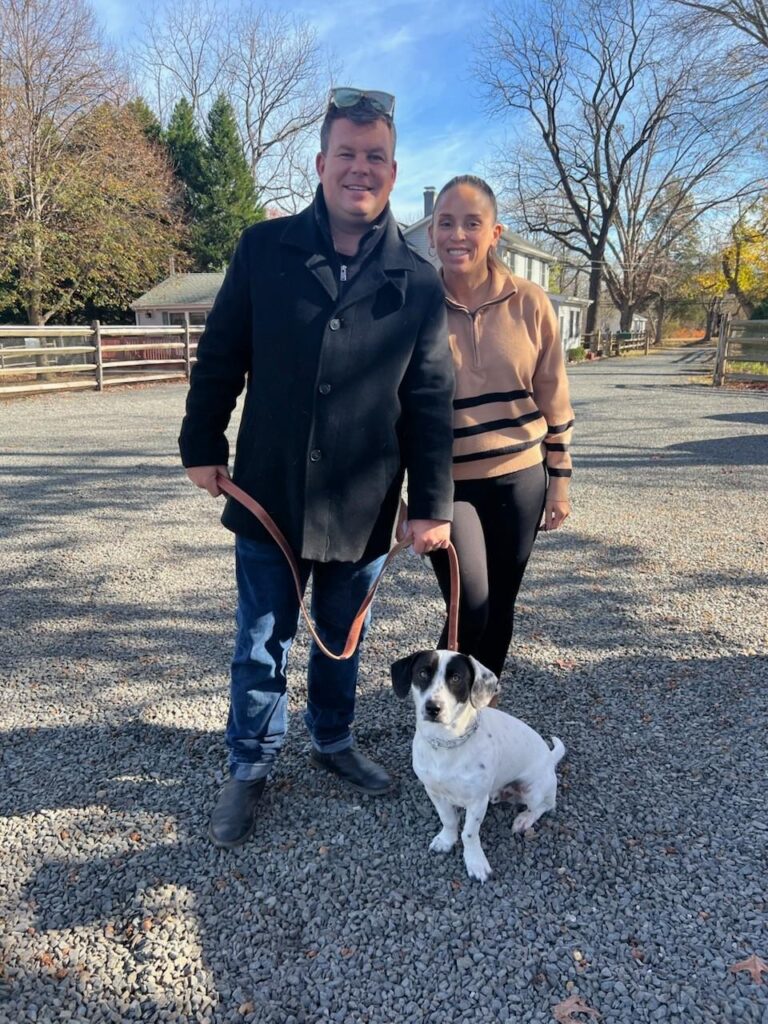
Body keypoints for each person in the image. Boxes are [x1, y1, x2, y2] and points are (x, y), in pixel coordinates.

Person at [179, 88, 455, 849]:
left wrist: (431, 502)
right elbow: (223, 355)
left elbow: (431, 400)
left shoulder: (420, 280)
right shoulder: (262, 249)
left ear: (393, 173)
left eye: (374, 158)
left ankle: (333, 741)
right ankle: (250, 763)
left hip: (365, 501)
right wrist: (202, 443)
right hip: (268, 489)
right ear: (321, 162)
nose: (358, 169)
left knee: (343, 637)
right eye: (346, 154)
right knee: (259, 640)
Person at [426, 175, 574, 680]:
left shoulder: (530, 302)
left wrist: (560, 481)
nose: (458, 235)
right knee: (470, 605)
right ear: (431, 233)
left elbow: (553, 392)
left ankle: (479, 710)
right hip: (450, 485)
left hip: (521, 476)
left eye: (473, 223)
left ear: (495, 234)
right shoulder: (417, 306)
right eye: (446, 223)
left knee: (502, 603)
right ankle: (441, 704)